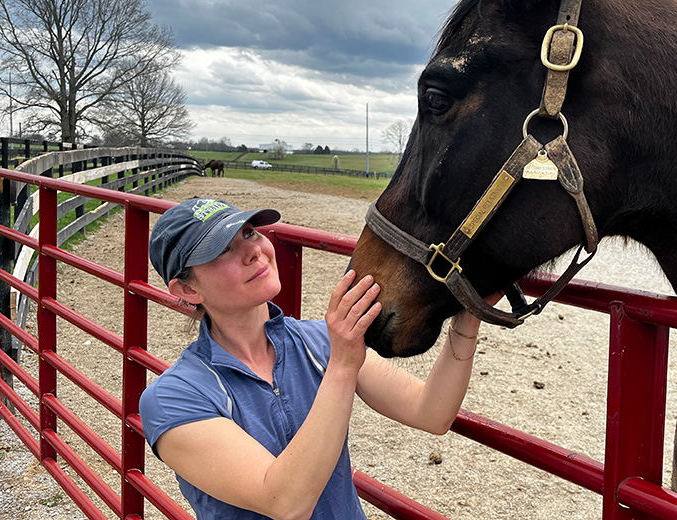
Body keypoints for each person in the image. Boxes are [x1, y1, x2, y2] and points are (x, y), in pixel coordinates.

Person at [139, 198, 495, 520]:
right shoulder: (173, 399)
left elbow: (430, 412)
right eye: (222, 250)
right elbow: (285, 501)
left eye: (249, 233)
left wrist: (468, 318)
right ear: (187, 289)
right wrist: (341, 364)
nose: (253, 251)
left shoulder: (318, 341)